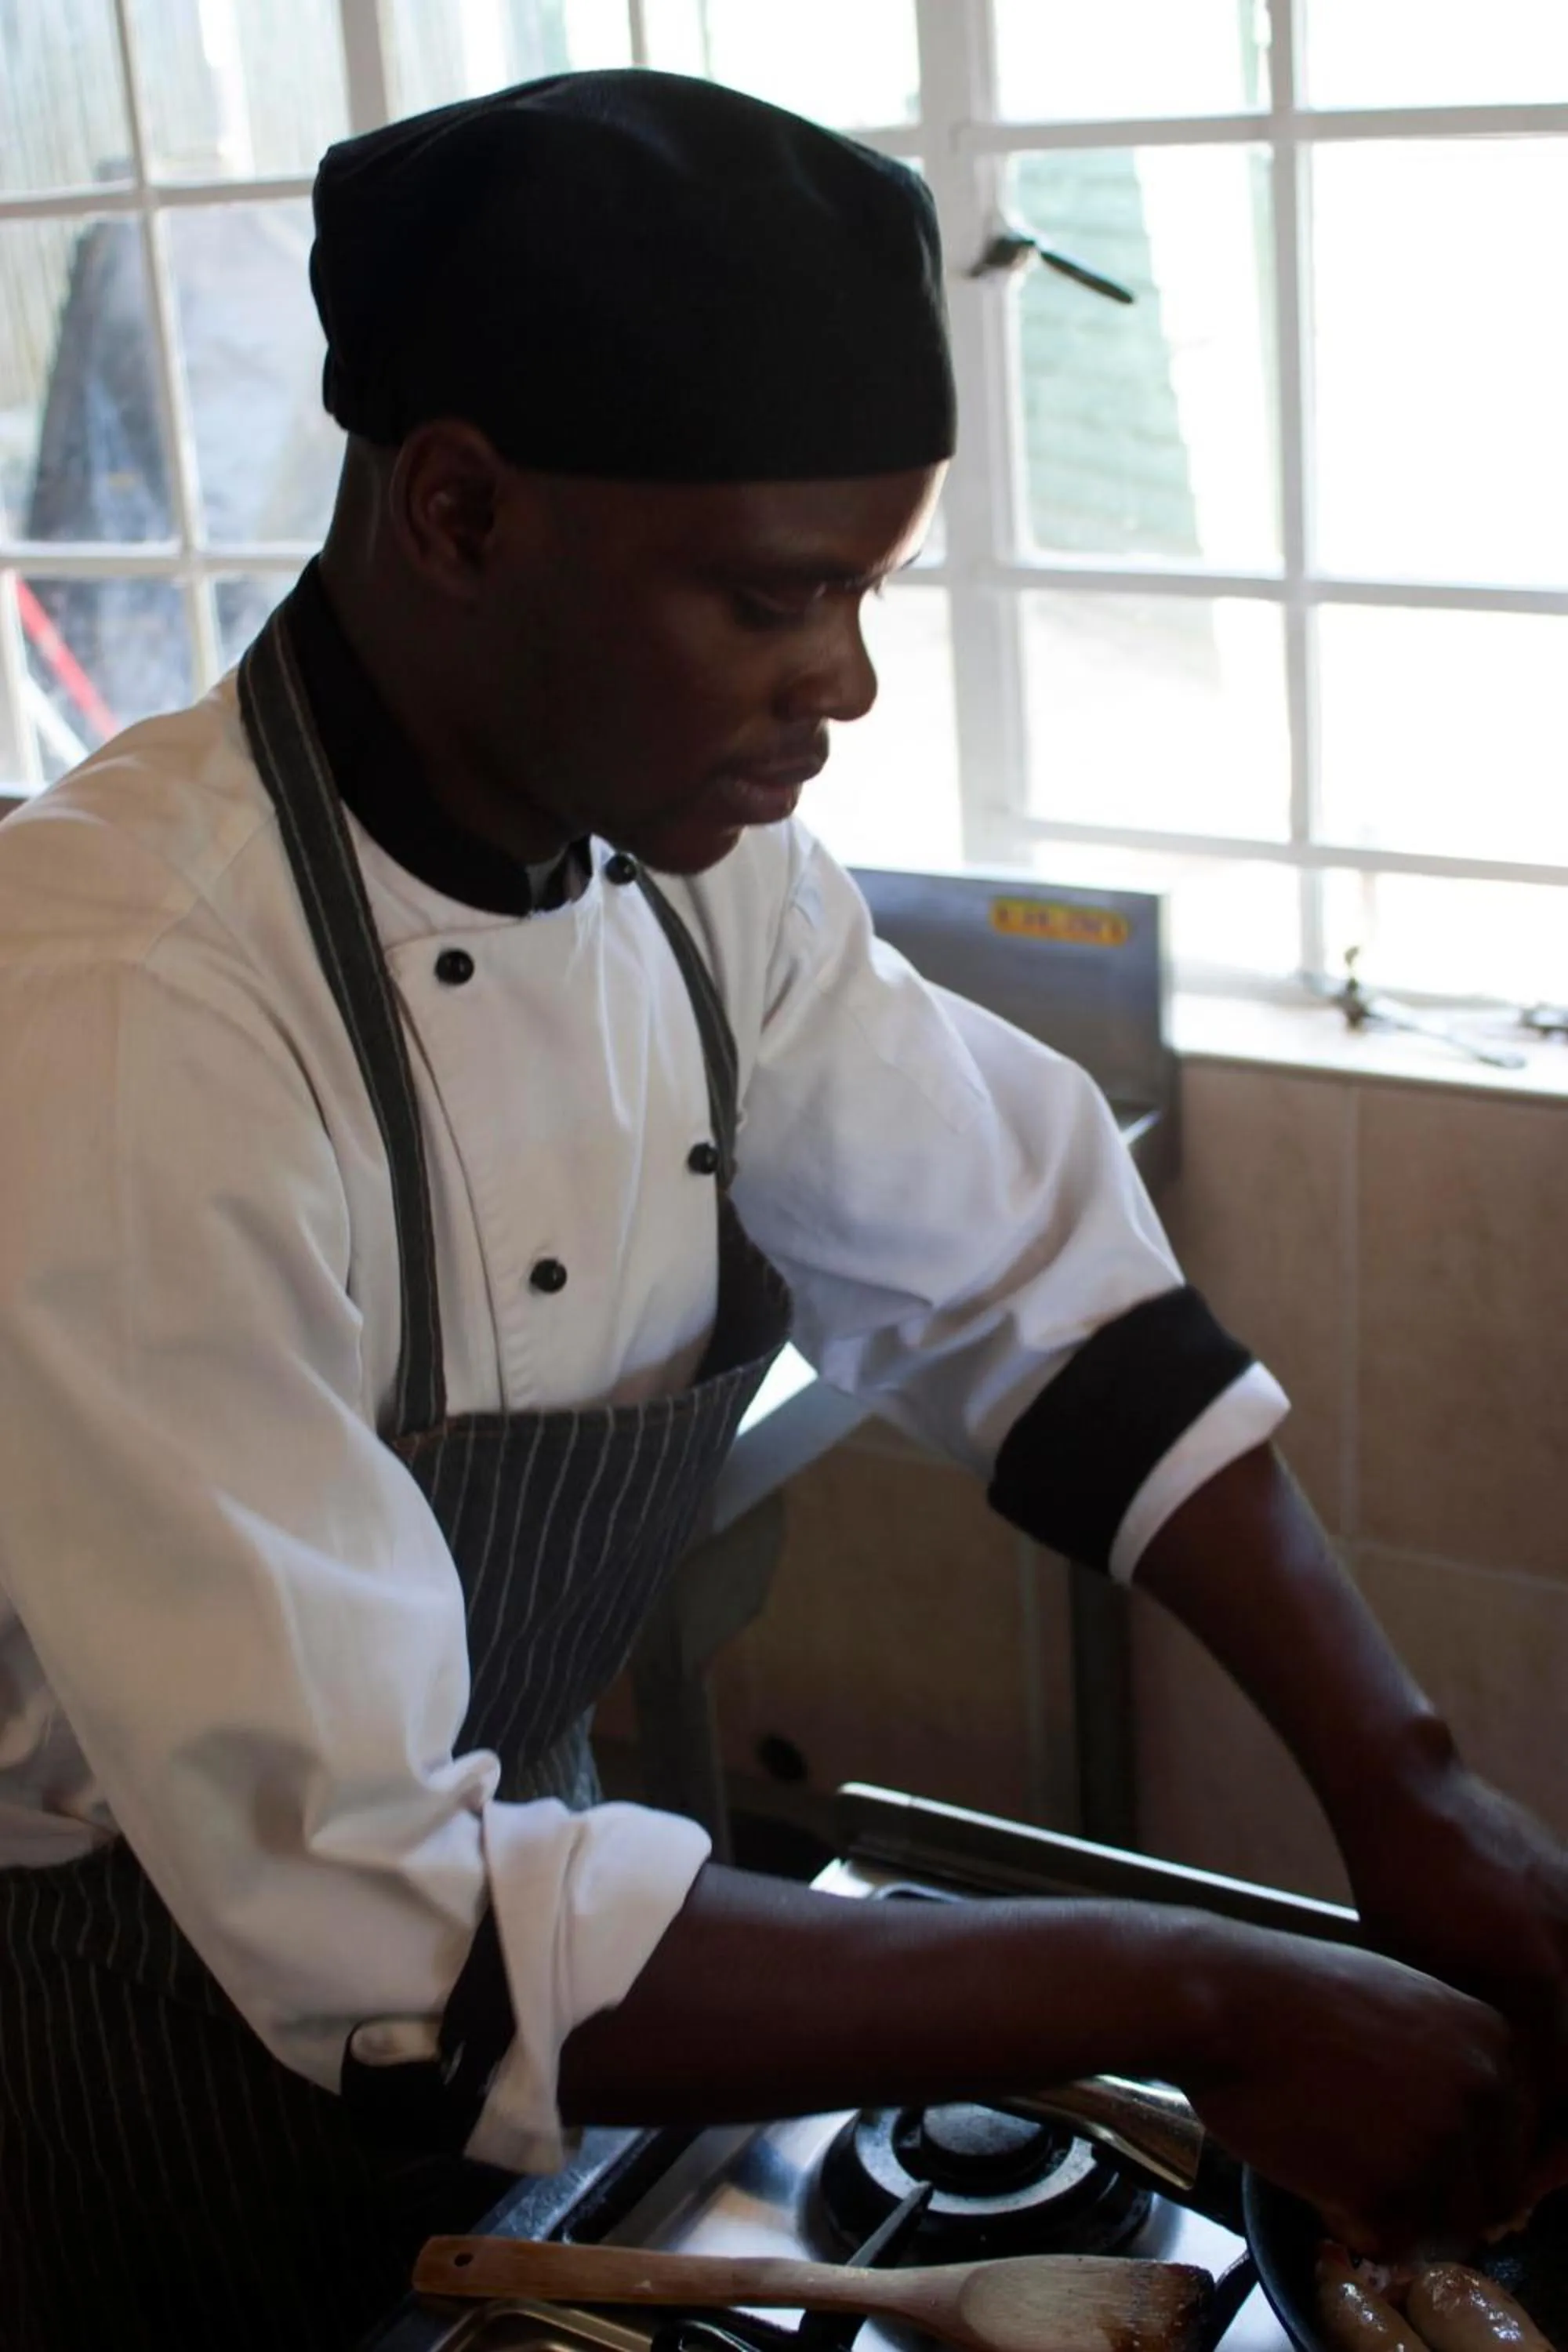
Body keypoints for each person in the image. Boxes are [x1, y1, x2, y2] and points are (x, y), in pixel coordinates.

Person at [0, 68, 1563, 2352]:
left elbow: (1033, 1293)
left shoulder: (689, 870)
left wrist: (1406, 1788)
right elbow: (373, 1914)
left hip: (513, 2008)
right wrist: (1206, 1993)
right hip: (131, 2081)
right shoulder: (121, 1007)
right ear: (459, 511)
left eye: (867, 586)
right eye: (774, 594)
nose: (844, 676)